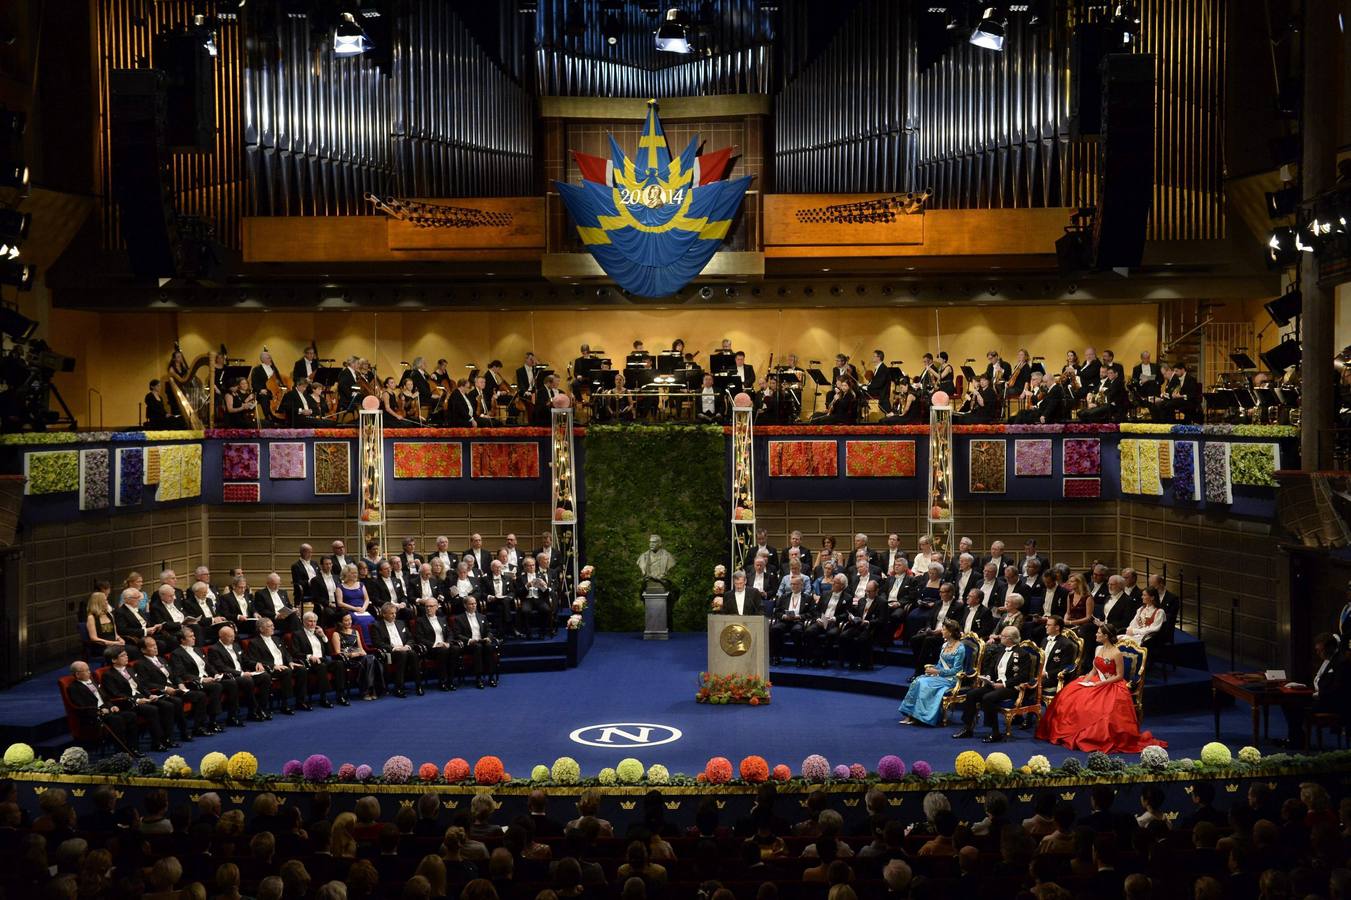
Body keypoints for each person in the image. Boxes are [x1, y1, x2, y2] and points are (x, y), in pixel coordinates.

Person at [1037, 623, 1166, 752]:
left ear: (1106, 636)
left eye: (1099, 633)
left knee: (1094, 706)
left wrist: (1101, 684)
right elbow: (1094, 670)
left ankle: (1090, 735)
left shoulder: (1116, 653)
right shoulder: (1099, 649)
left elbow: (1119, 676)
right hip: (1096, 680)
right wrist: (1085, 681)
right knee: (1070, 694)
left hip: (1112, 684)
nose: (1096, 634)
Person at [953, 626, 1032, 743]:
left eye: (1003, 636)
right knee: (971, 694)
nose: (1000, 637)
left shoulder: (1023, 654)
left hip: (1010, 688)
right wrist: (988, 677)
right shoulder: (1000, 650)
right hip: (995, 684)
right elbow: (991, 667)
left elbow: (1023, 676)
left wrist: (1004, 684)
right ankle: (968, 728)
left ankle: (995, 732)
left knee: (988, 698)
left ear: (1010, 639)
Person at [898, 620, 967, 727]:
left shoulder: (960, 648)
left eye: (944, 629)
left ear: (951, 632)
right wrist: (933, 670)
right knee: (918, 681)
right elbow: (940, 663)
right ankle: (910, 714)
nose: (942, 631)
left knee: (925, 684)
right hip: (940, 676)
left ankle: (919, 717)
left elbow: (956, 670)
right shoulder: (945, 645)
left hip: (951, 679)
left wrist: (937, 671)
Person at [369, 602, 423, 698]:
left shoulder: (401, 623)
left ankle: (418, 685)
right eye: (391, 613)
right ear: (384, 614)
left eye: (395, 613)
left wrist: (407, 646)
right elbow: (377, 643)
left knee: (413, 653)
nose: (394, 615)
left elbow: (410, 638)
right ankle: (399, 687)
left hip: (404, 649)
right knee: (402, 654)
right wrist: (394, 648)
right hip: (389, 653)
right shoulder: (376, 626)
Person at [331, 613, 382, 702]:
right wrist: (351, 655)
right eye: (346, 620)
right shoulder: (336, 634)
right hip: (348, 659)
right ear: (340, 622)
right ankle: (371, 690)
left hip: (359, 657)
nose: (349, 622)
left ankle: (367, 691)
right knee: (370, 660)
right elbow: (338, 653)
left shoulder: (356, 631)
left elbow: (362, 648)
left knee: (370, 658)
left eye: (350, 619)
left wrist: (362, 653)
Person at [454, 596, 500, 689]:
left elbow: (489, 631)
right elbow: (457, 634)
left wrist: (488, 637)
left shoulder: (482, 616)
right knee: (477, 647)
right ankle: (478, 678)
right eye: (471, 604)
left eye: (475, 603)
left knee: (489, 646)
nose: (474, 605)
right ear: (465, 605)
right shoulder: (459, 618)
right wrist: (469, 640)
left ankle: (491, 677)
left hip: (482, 641)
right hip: (469, 644)